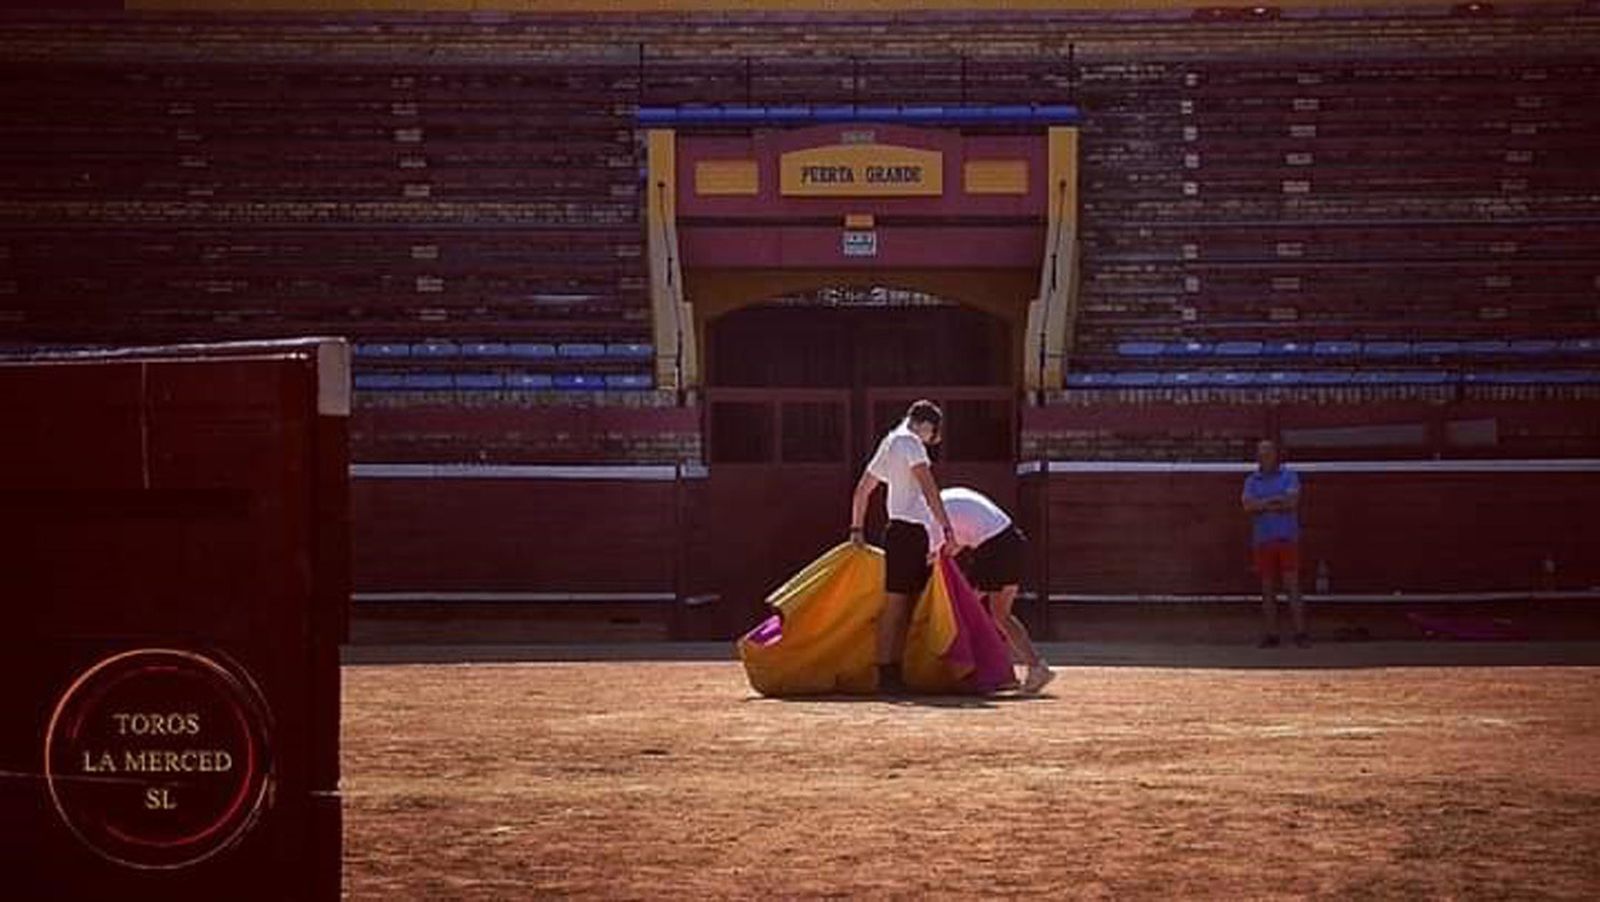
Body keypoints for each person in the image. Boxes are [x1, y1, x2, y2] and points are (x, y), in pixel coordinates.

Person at [849, 400, 956, 694]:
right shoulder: (910, 442)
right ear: (924, 424)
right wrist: (947, 527)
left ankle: (890, 672)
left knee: (900, 605)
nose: (930, 439)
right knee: (902, 605)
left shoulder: (890, 442)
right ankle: (891, 672)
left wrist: (856, 528)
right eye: (932, 433)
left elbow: (863, 489)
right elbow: (929, 487)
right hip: (911, 533)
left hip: (897, 532)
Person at [940, 487, 1055, 694]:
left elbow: (945, 549)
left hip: (992, 550)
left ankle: (975, 669)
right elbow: (957, 543)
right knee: (1001, 615)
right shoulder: (951, 497)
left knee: (963, 608)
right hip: (1012, 542)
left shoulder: (936, 511)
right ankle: (1036, 666)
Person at [1241, 439, 1308, 648]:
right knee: (1267, 588)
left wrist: (1264, 504)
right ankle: (1272, 634)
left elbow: (1291, 503)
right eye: (1261, 454)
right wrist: (1275, 502)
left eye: (1268, 453)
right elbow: (1248, 506)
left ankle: (1300, 633)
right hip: (1264, 540)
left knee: (1292, 586)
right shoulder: (1252, 480)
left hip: (1286, 539)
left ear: (1276, 456)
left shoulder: (1289, 475)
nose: (1265, 458)